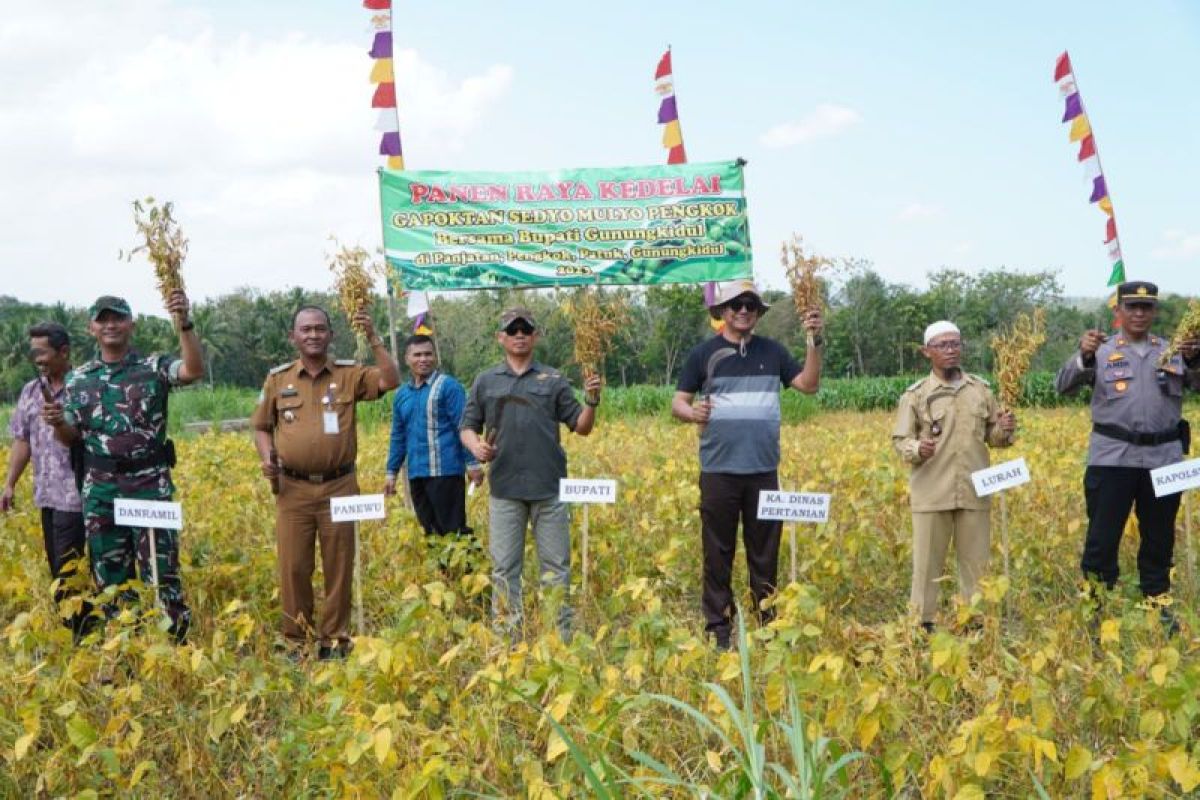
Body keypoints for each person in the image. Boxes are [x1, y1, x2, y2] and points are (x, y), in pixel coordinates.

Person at [671, 279, 823, 650]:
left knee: (764, 551)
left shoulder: (773, 352)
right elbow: (678, 402)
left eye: (750, 306)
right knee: (717, 551)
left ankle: (767, 624)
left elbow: (808, 384)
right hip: (718, 469)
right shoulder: (703, 354)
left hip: (763, 469)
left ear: (758, 314)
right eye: (736, 305)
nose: (743, 310)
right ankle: (719, 628)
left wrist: (814, 342)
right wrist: (693, 413)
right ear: (722, 312)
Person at [43, 293, 203, 642]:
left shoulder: (153, 367)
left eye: (118, 318)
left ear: (132, 324)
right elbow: (71, 437)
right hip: (101, 491)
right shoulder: (78, 379)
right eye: (102, 319)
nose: (110, 325)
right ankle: (123, 652)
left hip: (150, 486)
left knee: (162, 574)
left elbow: (192, 370)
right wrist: (57, 423)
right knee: (110, 577)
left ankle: (172, 651)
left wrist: (184, 322)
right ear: (91, 329)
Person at [251, 306, 400, 660]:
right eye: (306, 329)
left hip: (339, 486)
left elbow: (391, 380)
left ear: (331, 335)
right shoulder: (278, 380)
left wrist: (374, 338)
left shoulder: (350, 375)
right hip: (293, 489)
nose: (313, 335)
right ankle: (297, 640)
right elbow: (260, 427)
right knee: (294, 567)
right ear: (293, 337)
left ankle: (335, 639)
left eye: (320, 329)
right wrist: (266, 456)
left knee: (339, 563)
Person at [1055, 281, 1200, 628]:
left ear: (1154, 313)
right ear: (1117, 311)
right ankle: (1095, 605)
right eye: (1131, 307)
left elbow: (1196, 383)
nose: (1139, 313)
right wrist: (1084, 355)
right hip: (1112, 458)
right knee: (1102, 538)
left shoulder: (1173, 351)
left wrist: (1195, 359)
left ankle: (1157, 602)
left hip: (1164, 458)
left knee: (1160, 536)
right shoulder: (1101, 350)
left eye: (1146, 308)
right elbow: (1062, 386)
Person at [460, 307, 601, 641]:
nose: (519, 334)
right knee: (505, 569)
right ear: (501, 338)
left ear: (535, 336)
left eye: (526, 329)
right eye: (513, 329)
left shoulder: (553, 380)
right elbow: (467, 426)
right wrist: (476, 447)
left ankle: (558, 639)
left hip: (549, 488)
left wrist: (592, 401)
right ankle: (508, 640)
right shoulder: (486, 380)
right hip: (505, 490)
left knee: (556, 569)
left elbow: (581, 427)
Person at [892, 321, 1016, 631]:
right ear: (927, 352)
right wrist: (918, 448)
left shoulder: (980, 391)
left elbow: (994, 436)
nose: (951, 350)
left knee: (976, 564)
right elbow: (900, 440)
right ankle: (922, 625)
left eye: (955, 344)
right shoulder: (916, 395)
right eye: (943, 345)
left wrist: (1006, 429)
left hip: (974, 489)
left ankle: (976, 623)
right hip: (931, 491)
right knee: (926, 566)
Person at [3, 322, 92, 639]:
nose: (37, 359)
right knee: (59, 570)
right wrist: (10, 483)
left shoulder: (84, 386)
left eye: (42, 353)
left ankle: (84, 638)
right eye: (34, 353)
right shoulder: (30, 390)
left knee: (72, 573)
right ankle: (77, 636)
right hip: (47, 496)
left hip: (78, 496)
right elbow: (22, 440)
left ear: (63, 352)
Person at [384, 335, 484, 544]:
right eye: (417, 355)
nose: (423, 359)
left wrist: (472, 463)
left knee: (453, 531)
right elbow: (398, 436)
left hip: (446, 472)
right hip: (417, 474)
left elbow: (463, 427)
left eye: (428, 354)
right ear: (406, 359)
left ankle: (466, 575)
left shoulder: (449, 387)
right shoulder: (402, 394)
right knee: (429, 531)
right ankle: (442, 576)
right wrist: (391, 472)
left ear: (435, 357)